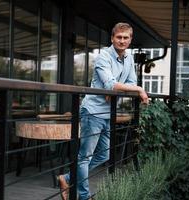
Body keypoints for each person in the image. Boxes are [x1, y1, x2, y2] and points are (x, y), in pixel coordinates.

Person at [57, 22, 149, 200]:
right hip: (93, 111)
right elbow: (110, 84)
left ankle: (66, 178)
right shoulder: (103, 56)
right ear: (112, 38)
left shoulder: (129, 59)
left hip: (108, 112)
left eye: (126, 38)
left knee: (104, 154)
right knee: (85, 156)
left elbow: (128, 82)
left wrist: (120, 88)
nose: (122, 41)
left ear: (130, 40)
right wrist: (136, 89)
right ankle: (84, 196)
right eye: (119, 37)